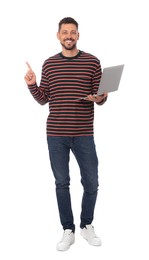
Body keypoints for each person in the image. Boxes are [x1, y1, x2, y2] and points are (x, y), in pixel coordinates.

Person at [24, 17, 108, 251]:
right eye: (64, 32)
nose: (69, 36)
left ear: (78, 35)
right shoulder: (49, 64)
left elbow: (101, 97)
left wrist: (99, 97)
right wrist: (32, 85)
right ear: (58, 35)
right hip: (56, 135)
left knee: (92, 183)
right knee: (62, 183)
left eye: (73, 32)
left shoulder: (93, 62)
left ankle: (86, 225)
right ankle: (68, 229)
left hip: (83, 134)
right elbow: (43, 99)